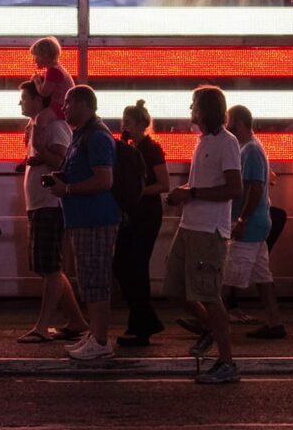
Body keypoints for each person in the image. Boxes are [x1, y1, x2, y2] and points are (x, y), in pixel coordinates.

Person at [164, 85, 242, 385]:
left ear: (206, 108)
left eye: (194, 105)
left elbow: (234, 188)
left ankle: (227, 361)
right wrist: (186, 195)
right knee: (174, 288)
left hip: (209, 230)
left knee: (209, 295)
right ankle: (209, 329)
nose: (190, 110)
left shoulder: (227, 143)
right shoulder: (203, 141)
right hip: (190, 225)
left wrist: (191, 192)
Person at [46, 85, 121, 361]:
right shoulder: (81, 135)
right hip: (82, 219)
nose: (64, 109)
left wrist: (67, 190)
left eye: (68, 103)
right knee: (88, 279)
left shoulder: (97, 136)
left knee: (96, 278)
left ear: (83, 104)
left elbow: (104, 180)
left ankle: (101, 341)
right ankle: (95, 333)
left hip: (95, 219)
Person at [15, 80, 87, 344]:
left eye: (24, 98)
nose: (20, 103)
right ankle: (76, 321)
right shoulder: (37, 125)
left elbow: (63, 163)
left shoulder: (55, 127)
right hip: (39, 204)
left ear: (38, 99)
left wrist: (42, 155)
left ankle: (43, 326)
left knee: (50, 267)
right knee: (49, 267)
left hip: (50, 205)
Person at [222, 105, 286, 340]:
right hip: (257, 224)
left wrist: (242, 219)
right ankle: (275, 322)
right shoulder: (250, 148)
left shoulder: (250, 150)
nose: (225, 125)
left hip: (250, 225)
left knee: (228, 275)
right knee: (262, 276)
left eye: (228, 120)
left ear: (238, 122)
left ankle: (209, 323)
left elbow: (256, 187)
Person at [113, 99, 168, 347]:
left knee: (135, 266)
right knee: (123, 265)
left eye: (128, 123)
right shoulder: (127, 148)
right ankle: (144, 319)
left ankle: (140, 324)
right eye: (123, 122)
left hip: (146, 214)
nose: (124, 127)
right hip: (132, 214)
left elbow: (163, 184)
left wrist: (137, 191)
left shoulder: (151, 149)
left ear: (140, 124)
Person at [30, 36, 75, 125]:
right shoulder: (57, 69)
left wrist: (37, 80)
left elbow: (44, 92)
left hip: (61, 107)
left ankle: (39, 138)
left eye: (36, 56)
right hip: (62, 106)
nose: (34, 60)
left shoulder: (53, 71)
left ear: (45, 55)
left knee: (40, 119)